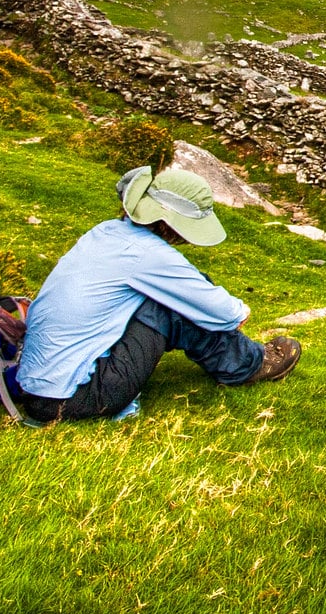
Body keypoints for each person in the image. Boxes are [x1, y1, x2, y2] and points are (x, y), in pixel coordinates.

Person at [16, 165, 300, 423]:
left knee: (172, 296)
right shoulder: (149, 255)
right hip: (75, 398)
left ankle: (240, 361)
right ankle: (249, 365)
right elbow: (231, 315)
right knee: (167, 306)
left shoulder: (106, 232)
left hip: (35, 391)